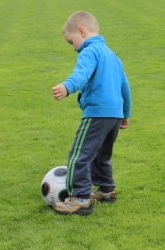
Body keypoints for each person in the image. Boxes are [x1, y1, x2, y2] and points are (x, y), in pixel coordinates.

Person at [50, 11, 132, 216]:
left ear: (81, 31)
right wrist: (126, 113)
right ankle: (106, 190)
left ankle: (80, 198)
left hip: (97, 113)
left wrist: (67, 87)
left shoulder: (89, 52)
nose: (73, 47)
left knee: (79, 155)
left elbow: (82, 74)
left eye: (71, 42)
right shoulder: (112, 55)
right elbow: (125, 87)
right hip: (114, 116)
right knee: (102, 154)